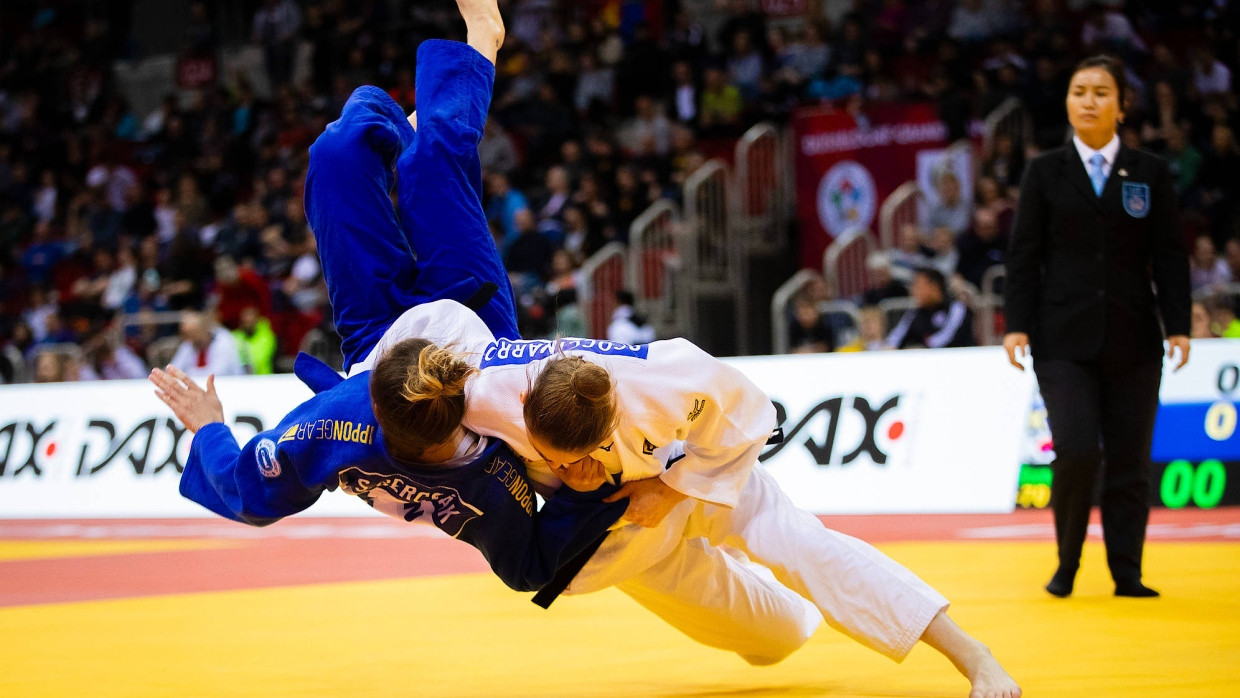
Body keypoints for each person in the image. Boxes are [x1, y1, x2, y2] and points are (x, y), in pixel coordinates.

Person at [151, 2, 820, 665]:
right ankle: (477, 47)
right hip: (470, 330)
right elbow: (530, 564)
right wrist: (585, 494)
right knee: (432, 165)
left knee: (336, 151)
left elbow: (249, 486)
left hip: (375, 340)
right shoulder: (488, 484)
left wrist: (210, 426)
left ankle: (383, 122)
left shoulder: (340, 422)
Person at [1003, 55, 1191, 599]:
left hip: (1135, 338)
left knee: (1130, 460)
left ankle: (1127, 572)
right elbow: (1024, 255)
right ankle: (1067, 562)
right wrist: (1017, 325)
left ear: (1122, 106)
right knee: (1079, 449)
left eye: (1101, 92)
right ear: (1067, 101)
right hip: (1062, 340)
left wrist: (1177, 325)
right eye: (1079, 90)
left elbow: (1171, 255)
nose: (1088, 100)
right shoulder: (1044, 171)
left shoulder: (1150, 172)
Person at [886, 267, 976, 350]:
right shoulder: (914, 313)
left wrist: (922, 349)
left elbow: (948, 337)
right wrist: (888, 347)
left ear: (934, 287)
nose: (913, 290)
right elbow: (896, 338)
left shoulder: (957, 308)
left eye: (918, 285)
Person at [168, 311, 246, 379]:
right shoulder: (190, 343)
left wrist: (186, 374)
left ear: (202, 329)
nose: (189, 339)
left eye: (192, 334)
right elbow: (174, 368)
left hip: (230, 386)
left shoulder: (224, 340)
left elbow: (217, 374)